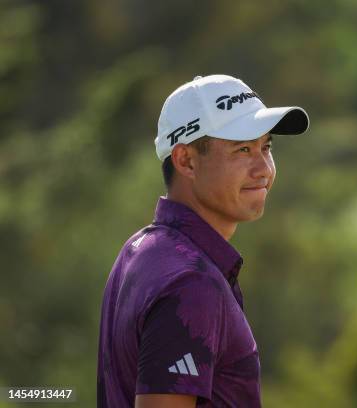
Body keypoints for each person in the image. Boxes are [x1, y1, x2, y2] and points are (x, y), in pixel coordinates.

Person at [96, 74, 309, 408]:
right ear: (186, 160)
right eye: (242, 149)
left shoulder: (141, 248)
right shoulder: (191, 283)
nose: (263, 169)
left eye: (265, 147)